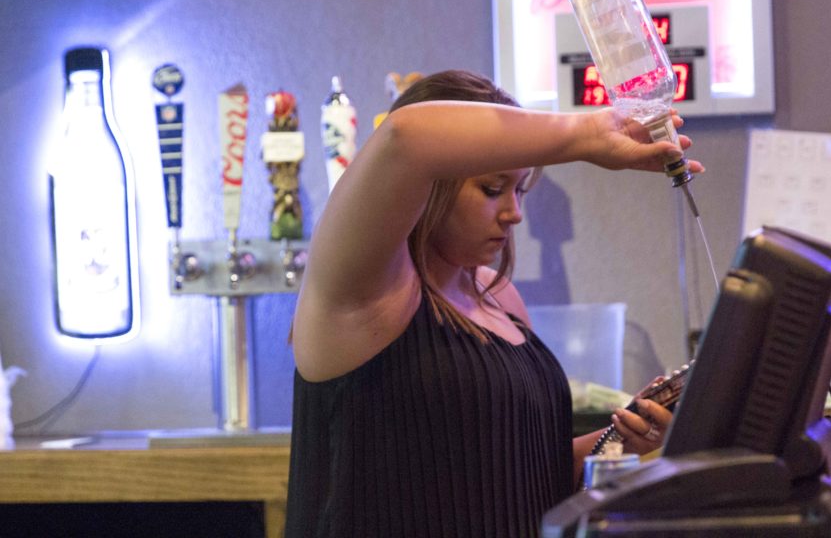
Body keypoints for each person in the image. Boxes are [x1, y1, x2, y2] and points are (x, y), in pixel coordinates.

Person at [284, 70, 704, 537]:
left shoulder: (497, 296)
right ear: (431, 185)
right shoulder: (366, 290)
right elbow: (404, 137)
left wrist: (621, 441)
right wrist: (587, 133)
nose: (514, 213)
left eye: (520, 190)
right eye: (491, 188)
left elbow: (521, 480)